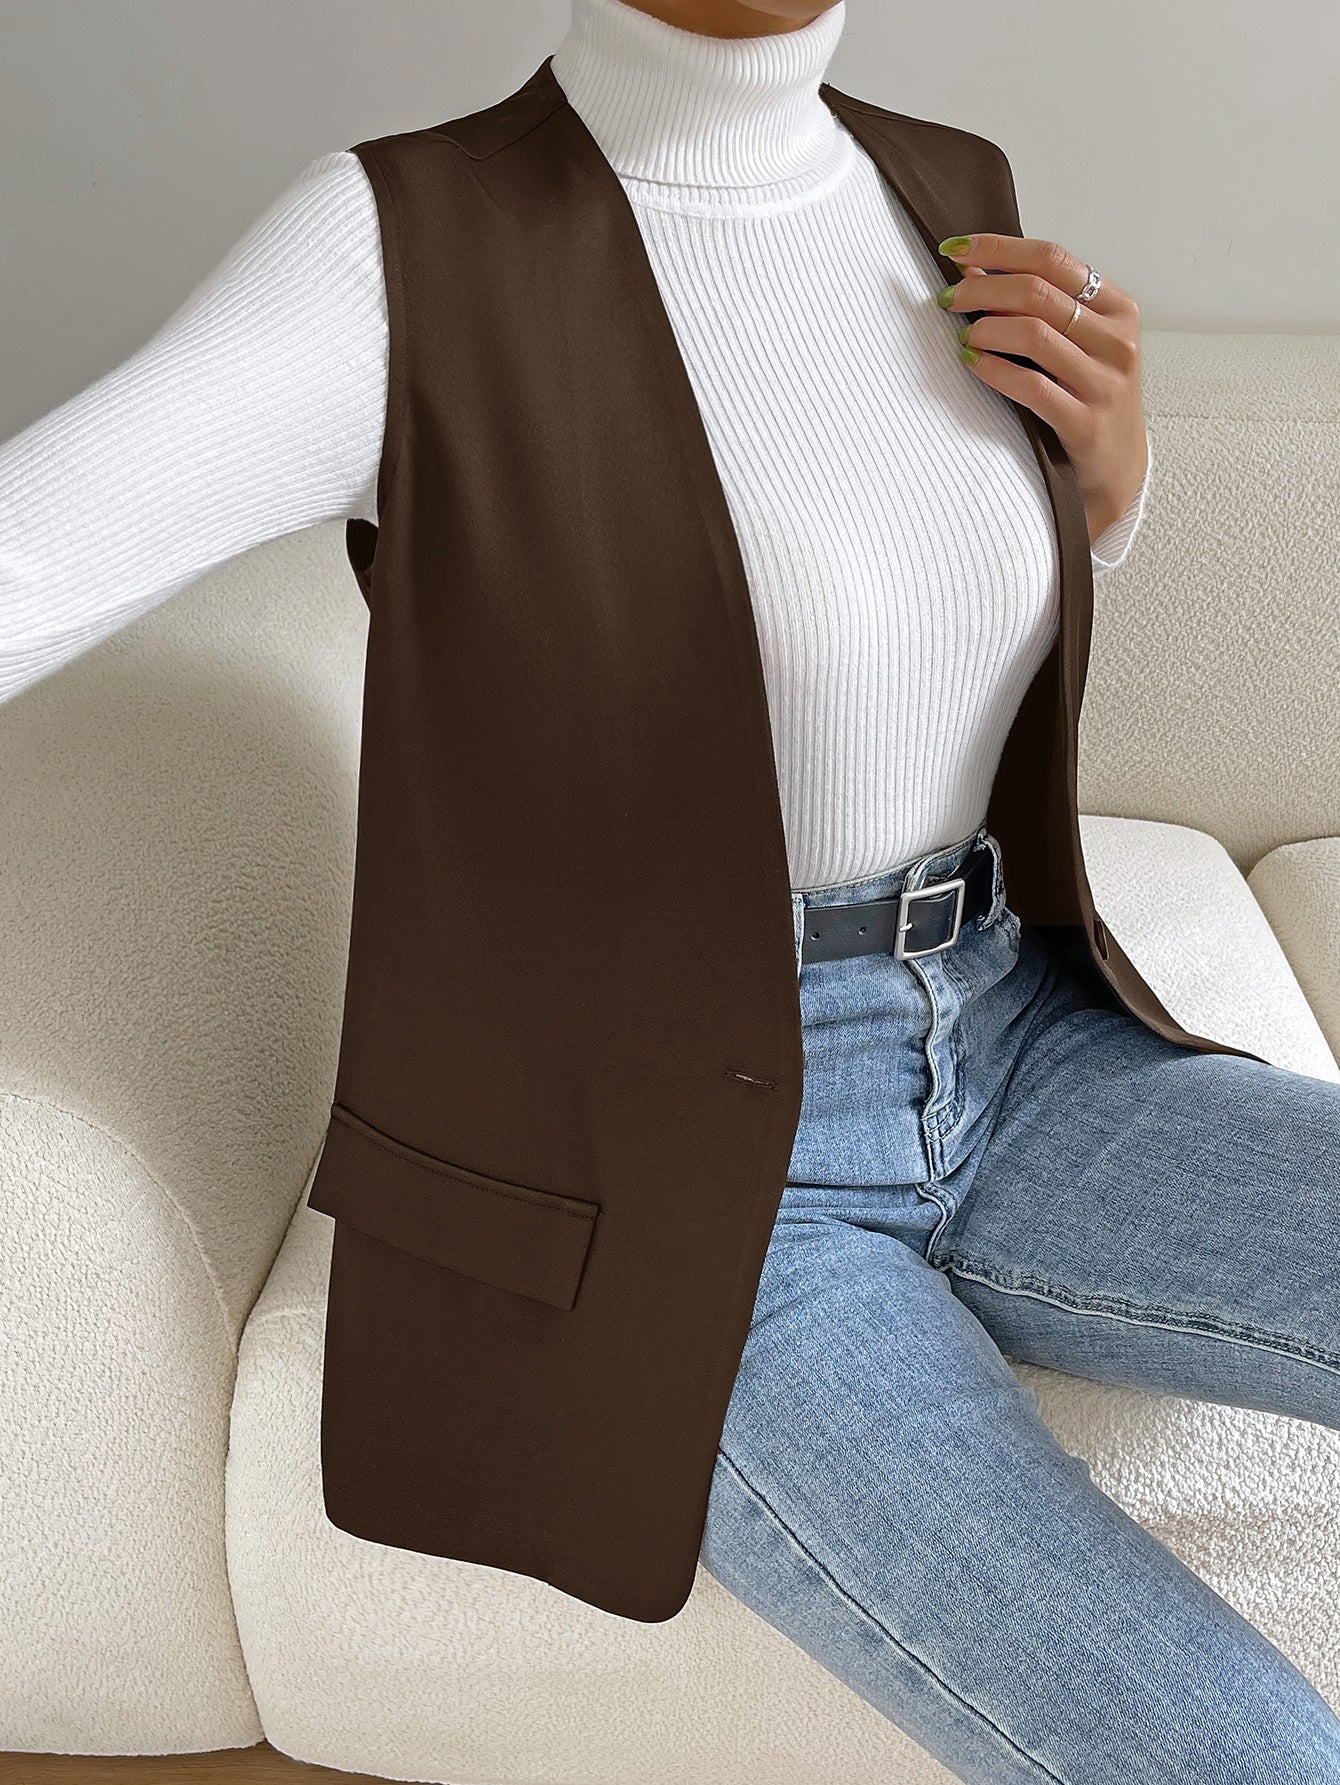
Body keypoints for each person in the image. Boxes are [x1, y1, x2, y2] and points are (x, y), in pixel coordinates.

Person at [3, 1, 1338, 1779]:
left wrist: (1105, 496)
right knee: (1250, 1755)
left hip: (1017, 1044)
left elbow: (885, 610)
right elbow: (28, 563)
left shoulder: (945, 188)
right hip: (674, 1177)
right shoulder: (399, 246)